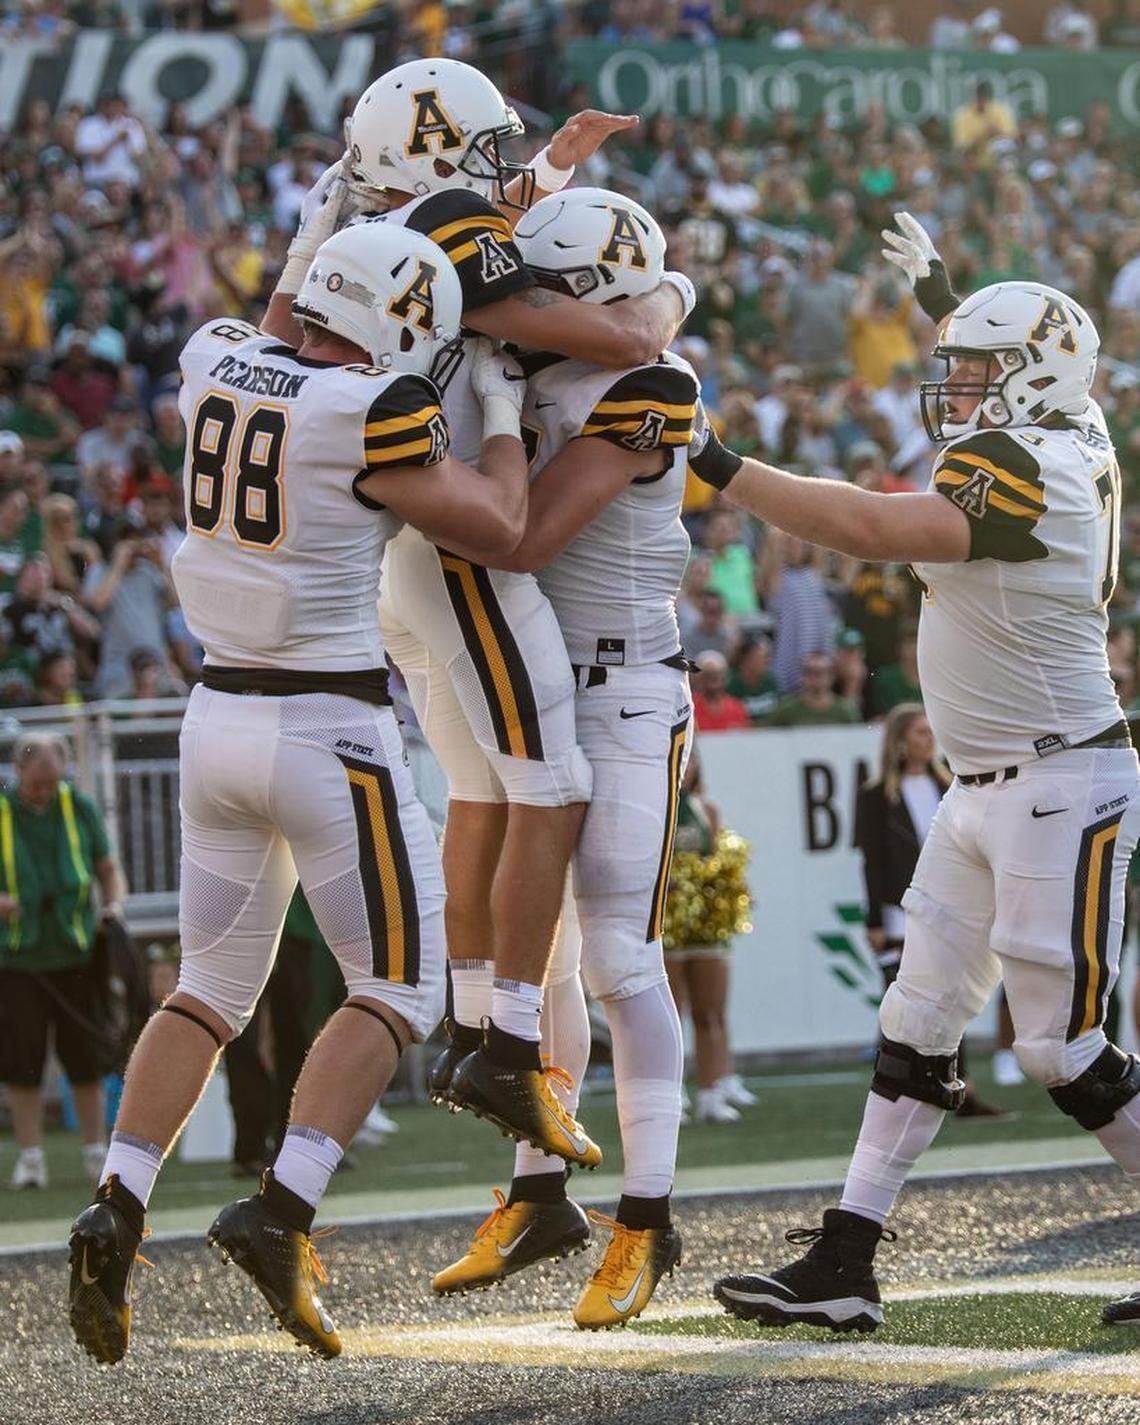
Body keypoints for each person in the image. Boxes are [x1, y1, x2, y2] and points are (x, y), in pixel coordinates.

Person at [65, 219, 531, 1366]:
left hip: (214, 715)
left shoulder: (214, 354)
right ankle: (282, 1210)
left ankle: (117, 1201)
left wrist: (333, 218)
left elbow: (280, 325)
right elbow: (505, 526)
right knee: (400, 989)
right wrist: (509, 411)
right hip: (327, 726)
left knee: (213, 985)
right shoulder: (368, 410)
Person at [692, 216, 1140, 1333]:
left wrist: (717, 461)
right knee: (918, 1020)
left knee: (1057, 1045)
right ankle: (846, 1261)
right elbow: (1030, 366)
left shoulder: (1026, 458)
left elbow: (870, 524)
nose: (960, 389)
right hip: (987, 783)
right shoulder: (1068, 422)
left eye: (982, 371)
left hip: (1058, 778)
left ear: (1033, 377)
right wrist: (948, 291)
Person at [302, 60, 692, 1166]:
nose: (500, 170)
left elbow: (486, 245)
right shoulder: (458, 227)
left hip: (407, 556)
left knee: (478, 791)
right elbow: (624, 339)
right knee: (549, 786)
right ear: (439, 152)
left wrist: (557, 168)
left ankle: (477, 1022)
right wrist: (673, 291)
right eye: (487, 148)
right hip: (469, 535)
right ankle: (506, 1042)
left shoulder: (373, 233)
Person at [431, 190, 697, 1328]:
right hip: (535, 684)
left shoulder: (652, 384)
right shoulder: (533, 364)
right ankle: (543, 1196)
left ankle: (649, 1217)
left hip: (627, 690)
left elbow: (529, 535)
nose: (521, 308)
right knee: (541, 967)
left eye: (544, 289)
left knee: (620, 959)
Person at [855, 704, 1008, 1120]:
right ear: (902, 741)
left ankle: (956, 1087)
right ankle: (901, 1092)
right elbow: (871, 861)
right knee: (907, 1003)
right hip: (897, 913)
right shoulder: (875, 796)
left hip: (950, 908)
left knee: (948, 997)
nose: (929, 740)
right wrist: (872, 920)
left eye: (930, 732)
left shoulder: (953, 786)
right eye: (921, 733)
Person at [0, 736, 127, 1190]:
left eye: (51, 783)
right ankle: (31, 1156)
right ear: (18, 773)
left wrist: (113, 906)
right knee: (23, 1061)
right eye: (36, 784)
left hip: (76, 951)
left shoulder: (80, 807)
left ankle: (96, 1151)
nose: (44, 792)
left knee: (85, 1055)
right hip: (17, 958)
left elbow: (107, 868)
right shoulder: (2, 810)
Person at [665, 747, 755, 1124]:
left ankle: (712, 1092)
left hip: (705, 930)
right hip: (666, 927)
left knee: (711, 1013)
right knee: (671, 1017)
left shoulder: (708, 809)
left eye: (692, 759)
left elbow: (723, 864)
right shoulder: (653, 806)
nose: (688, 767)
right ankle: (672, 1097)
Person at [766, 651, 861, 727]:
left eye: (820, 672)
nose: (814, 677)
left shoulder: (844, 710)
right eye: (808, 671)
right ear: (801, 676)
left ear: (832, 676)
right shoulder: (786, 709)